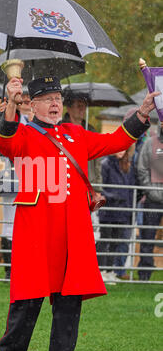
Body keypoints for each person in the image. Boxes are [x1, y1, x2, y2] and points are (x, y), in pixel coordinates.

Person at [0, 75, 159, 351]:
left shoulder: (75, 133)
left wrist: (142, 112)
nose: (55, 103)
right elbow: (4, 142)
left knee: (68, 303)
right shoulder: (24, 132)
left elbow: (115, 142)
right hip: (37, 232)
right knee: (27, 300)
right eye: (48, 99)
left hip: (72, 233)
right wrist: (11, 107)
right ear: (34, 103)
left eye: (58, 98)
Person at [0, 91, 33, 280]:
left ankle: (21, 266)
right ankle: (9, 269)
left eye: (29, 100)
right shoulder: (13, 120)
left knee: (23, 224)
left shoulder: (32, 122)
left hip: (29, 176)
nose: (26, 103)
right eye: (24, 100)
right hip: (11, 173)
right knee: (9, 224)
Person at [63, 93, 103, 241]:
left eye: (84, 106)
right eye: (78, 106)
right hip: (67, 185)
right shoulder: (60, 128)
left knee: (86, 230)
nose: (82, 109)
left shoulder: (90, 129)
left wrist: (97, 188)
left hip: (88, 185)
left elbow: (97, 162)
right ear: (68, 107)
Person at [96, 149, 136, 280]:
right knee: (105, 239)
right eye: (118, 149)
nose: (120, 152)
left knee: (115, 242)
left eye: (123, 149)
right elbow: (101, 187)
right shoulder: (105, 164)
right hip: (108, 210)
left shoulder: (127, 165)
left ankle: (110, 271)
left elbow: (130, 188)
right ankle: (101, 271)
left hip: (123, 211)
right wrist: (114, 196)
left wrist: (129, 207)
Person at [136, 121, 163, 281]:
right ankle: (144, 274)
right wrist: (151, 191)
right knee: (147, 236)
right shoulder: (150, 143)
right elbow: (142, 168)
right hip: (152, 199)